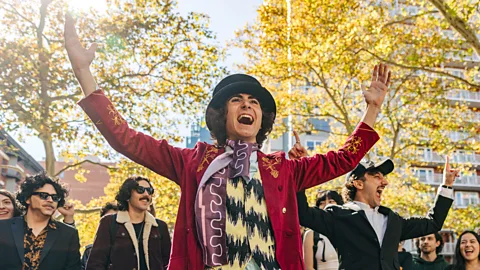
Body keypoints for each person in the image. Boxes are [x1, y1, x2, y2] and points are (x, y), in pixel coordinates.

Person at [64, 12, 391, 269]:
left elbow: (343, 160)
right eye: (238, 100)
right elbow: (127, 140)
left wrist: (372, 108)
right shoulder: (191, 162)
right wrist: (84, 74)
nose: (248, 104)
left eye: (254, 101)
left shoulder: (283, 170)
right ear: (222, 115)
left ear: (261, 118)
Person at [297, 156, 458, 270]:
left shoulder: (393, 220)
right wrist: (301, 170)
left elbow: (433, 222)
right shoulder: (337, 215)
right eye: (377, 176)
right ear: (358, 183)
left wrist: (447, 185)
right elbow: (303, 214)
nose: (385, 182)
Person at [86, 176, 171, 270]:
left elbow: (168, 264)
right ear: (127, 195)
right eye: (140, 190)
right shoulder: (109, 223)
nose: (146, 194)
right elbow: (95, 264)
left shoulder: (160, 227)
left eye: (149, 190)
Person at [0, 173, 81, 270]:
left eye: (55, 198)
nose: (50, 200)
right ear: (27, 198)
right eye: (44, 195)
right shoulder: (3, 228)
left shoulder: (68, 234)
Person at [302, 190, 343, 270]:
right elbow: (308, 267)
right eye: (322, 203)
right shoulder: (311, 234)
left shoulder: (347, 229)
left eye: (331, 201)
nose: (327, 205)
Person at [81, 202, 118, 270]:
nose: (110, 223)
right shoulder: (89, 252)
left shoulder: (131, 250)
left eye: (114, 220)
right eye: (107, 219)